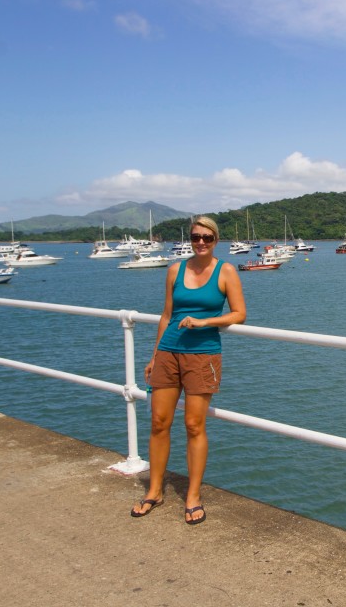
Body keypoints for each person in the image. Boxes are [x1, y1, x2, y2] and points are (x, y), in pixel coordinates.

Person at [131, 216, 246, 524]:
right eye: (196, 237)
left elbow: (240, 313)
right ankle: (154, 490)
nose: (200, 242)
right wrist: (154, 355)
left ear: (215, 240)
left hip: (203, 355)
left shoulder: (226, 271)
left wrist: (204, 322)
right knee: (159, 422)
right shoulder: (175, 270)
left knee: (194, 425)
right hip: (168, 352)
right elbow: (166, 315)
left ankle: (193, 496)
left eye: (207, 238)